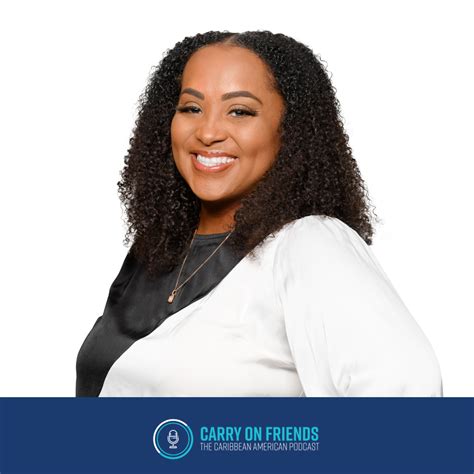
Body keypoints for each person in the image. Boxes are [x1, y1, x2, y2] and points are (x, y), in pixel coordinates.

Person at [75, 30, 443, 397]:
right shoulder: (157, 250)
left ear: (291, 130)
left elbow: (408, 396)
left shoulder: (308, 243)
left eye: (240, 111)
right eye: (191, 108)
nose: (208, 132)